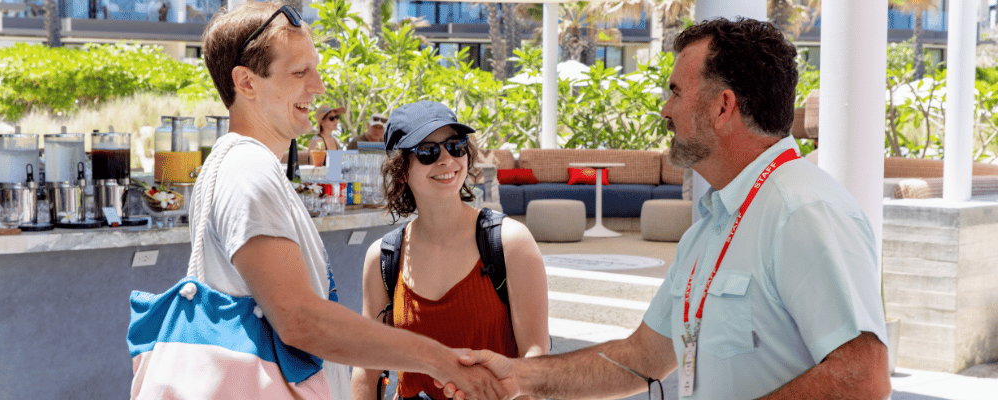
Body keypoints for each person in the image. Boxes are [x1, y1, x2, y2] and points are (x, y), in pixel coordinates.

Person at [451, 17, 891, 400]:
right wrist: (519, 377)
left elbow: (862, 379)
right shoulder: (712, 225)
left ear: (723, 107)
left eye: (677, 92)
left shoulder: (803, 209)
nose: (665, 109)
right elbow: (644, 356)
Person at [194, 3, 506, 399]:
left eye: (316, 69)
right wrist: (439, 360)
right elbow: (299, 320)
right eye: (299, 72)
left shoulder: (239, 165)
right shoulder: (247, 170)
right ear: (247, 82)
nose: (318, 86)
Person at [351, 101, 550, 400]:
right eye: (428, 151)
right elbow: (366, 369)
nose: (447, 160)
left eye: (455, 146)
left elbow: (535, 357)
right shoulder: (383, 258)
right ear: (402, 170)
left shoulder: (510, 243)